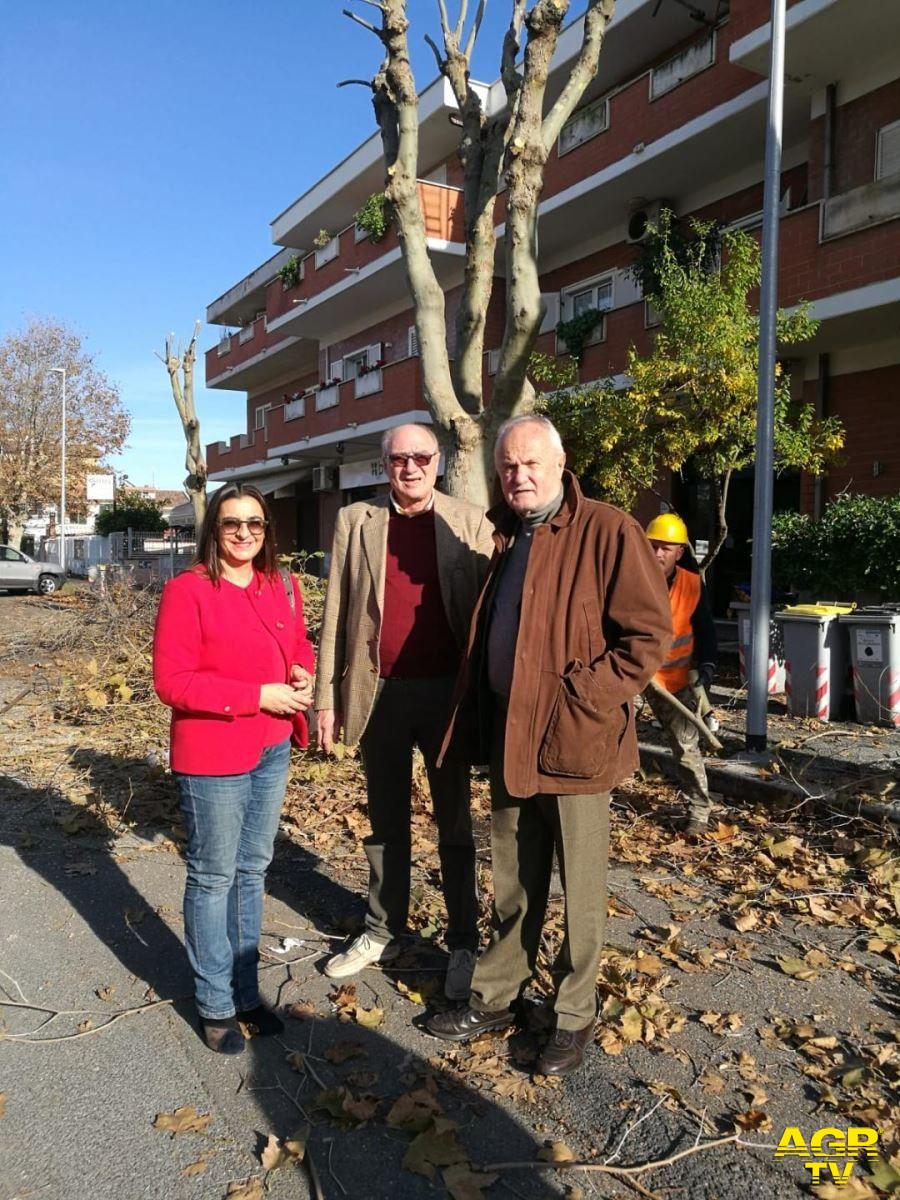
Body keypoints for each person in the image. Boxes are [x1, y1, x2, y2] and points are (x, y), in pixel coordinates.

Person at [426, 416, 671, 1076]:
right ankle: (499, 994)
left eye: (531, 464)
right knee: (513, 875)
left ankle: (573, 1013)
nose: (519, 475)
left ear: (562, 466)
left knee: (580, 889)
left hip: (577, 739)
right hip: (511, 733)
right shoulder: (508, 534)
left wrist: (583, 695)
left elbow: (648, 638)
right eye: (508, 466)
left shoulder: (608, 530)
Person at [314, 423, 494, 999]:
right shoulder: (355, 521)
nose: (410, 467)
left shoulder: (470, 522)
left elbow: (493, 620)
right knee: (386, 822)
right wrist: (326, 699)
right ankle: (381, 929)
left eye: (421, 457)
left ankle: (463, 941)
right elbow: (335, 615)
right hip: (380, 693)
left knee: (455, 825)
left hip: (449, 696)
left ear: (438, 461)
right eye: (398, 458)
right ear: (384, 464)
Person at [153, 484, 315, 1055]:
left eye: (255, 523)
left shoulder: (282, 585)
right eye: (231, 524)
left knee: (253, 870)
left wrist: (301, 673)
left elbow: (298, 644)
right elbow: (171, 682)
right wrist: (257, 696)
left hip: (273, 747)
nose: (245, 533)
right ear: (212, 530)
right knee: (214, 875)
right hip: (215, 755)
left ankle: (246, 993)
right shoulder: (187, 591)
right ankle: (214, 1002)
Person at [643, 513, 718, 835]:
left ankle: (699, 812)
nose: (657, 553)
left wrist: (707, 666)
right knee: (605, 738)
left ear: (679, 553)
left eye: (664, 548)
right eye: (653, 546)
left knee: (687, 750)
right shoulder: (632, 577)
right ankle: (593, 800)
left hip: (673, 680)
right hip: (631, 675)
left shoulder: (691, 583)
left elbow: (705, 630)